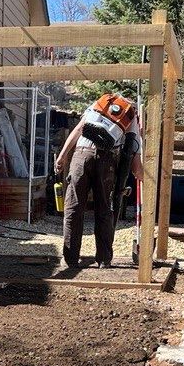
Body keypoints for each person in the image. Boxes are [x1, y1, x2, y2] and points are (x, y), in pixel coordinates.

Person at [54, 93, 143, 268]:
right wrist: (141, 175)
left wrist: (62, 157)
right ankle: (103, 260)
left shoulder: (101, 104)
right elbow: (133, 153)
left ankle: (70, 260)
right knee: (104, 209)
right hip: (107, 160)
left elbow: (79, 128)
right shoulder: (130, 115)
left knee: (74, 208)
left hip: (81, 154)